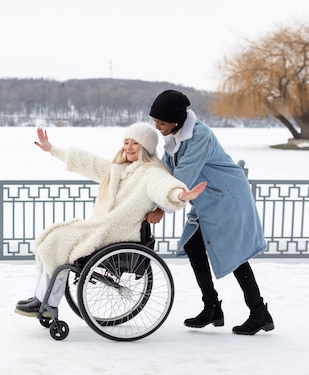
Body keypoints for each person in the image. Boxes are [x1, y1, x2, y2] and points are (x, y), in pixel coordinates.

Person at [14, 122, 206, 318]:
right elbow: (89, 162)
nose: (129, 147)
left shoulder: (152, 172)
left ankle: (47, 303)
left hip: (117, 231)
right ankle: (41, 297)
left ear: (146, 148)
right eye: (126, 142)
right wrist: (52, 150)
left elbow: (163, 185)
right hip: (103, 226)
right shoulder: (120, 168)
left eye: (135, 143)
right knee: (50, 239)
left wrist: (180, 195)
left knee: (57, 242)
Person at [148, 89, 274, 335]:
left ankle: (259, 313)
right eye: (154, 122)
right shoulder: (174, 138)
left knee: (235, 255)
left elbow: (182, 177)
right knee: (193, 246)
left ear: (175, 120)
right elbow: (164, 171)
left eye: (160, 122)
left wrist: (161, 208)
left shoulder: (200, 136)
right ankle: (212, 307)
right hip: (206, 199)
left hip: (228, 198)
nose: (156, 127)